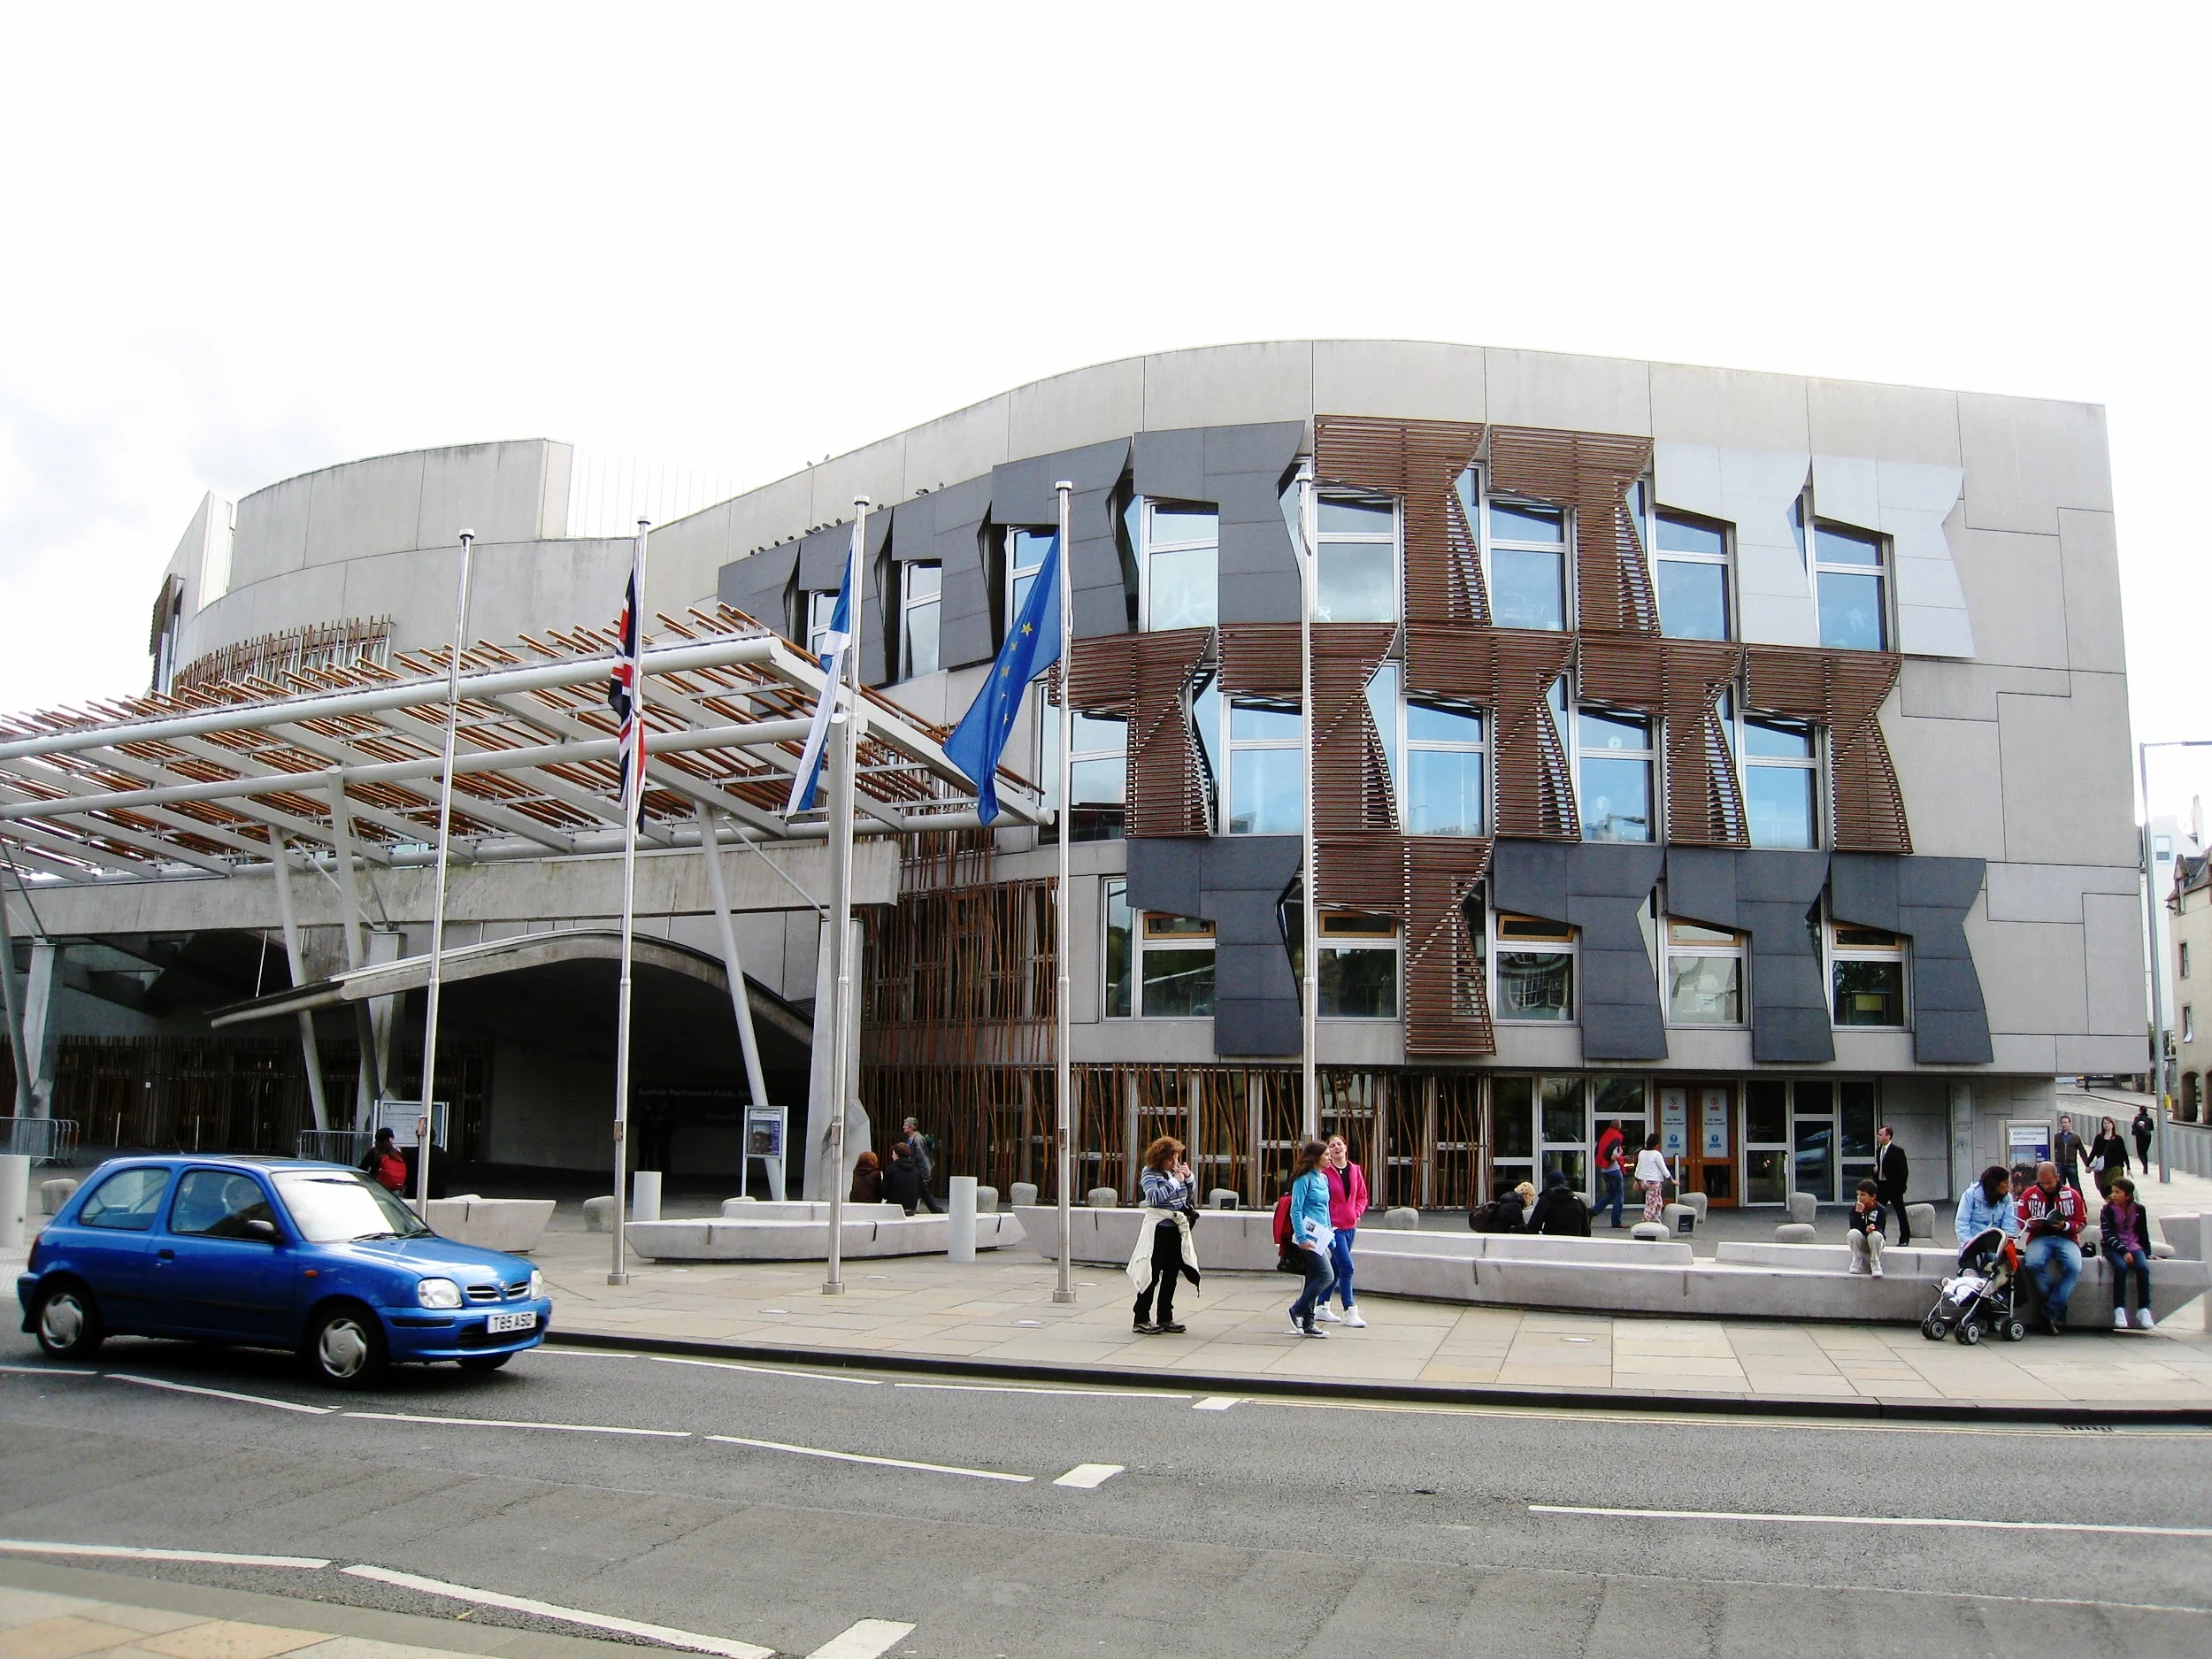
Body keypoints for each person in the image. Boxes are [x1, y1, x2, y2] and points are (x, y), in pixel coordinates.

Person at [1128, 1135, 1200, 1334]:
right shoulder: (1150, 1173)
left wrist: (1188, 1178)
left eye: (1177, 1158)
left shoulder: (1174, 1172)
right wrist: (1176, 1181)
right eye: (1170, 1159)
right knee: (1151, 1274)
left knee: (1171, 1274)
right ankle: (1141, 1317)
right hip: (1158, 1228)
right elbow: (1155, 1197)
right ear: (1160, 1158)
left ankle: (1165, 1316)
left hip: (1176, 1228)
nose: (1174, 1163)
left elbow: (1188, 1195)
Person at [2016, 1160, 2085, 1334]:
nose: (2046, 1186)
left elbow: (2081, 1221)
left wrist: (2065, 1226)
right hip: (2039, 1237)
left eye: (2049, 1182)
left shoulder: (2072, 1195)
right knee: (2033, 1263)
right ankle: (2057, 1306)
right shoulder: (2029, 1194)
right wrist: (2031, 1223)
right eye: (2042, 1183)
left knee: (2073, 1266)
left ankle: (2049, 1311)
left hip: (2066, 1238)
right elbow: (2022, 1220)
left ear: (2057, 1177)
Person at [1283, 1139, 1336, 1338]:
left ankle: (1309, 1322)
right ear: (1315, 1157)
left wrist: (1330, 1233)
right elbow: (1295, 1210)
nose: (1330, 1159)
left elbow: (1325, 1208)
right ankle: (1297, 1308)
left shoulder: (1323, 1178)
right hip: (1308, 1237)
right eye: (1326, 1155)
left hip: (1322, 1235)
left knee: (1313, 1278)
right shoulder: (1303, 1179)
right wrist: (1302, 1237)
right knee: (1326, 1276)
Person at [1316, 1134, 1369, 1328]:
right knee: (1347, 1266)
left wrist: (1356, 1212)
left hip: (1350, 1226)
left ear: (1346, 1147)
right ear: (1328, 1151)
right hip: (1334, 1227)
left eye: (1339, 1144)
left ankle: (1321, 1305)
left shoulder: (1355, 1170)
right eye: (1332, 1145)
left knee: (1337, 1267)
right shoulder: (1325, 1173)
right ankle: (1349, 1310)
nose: (1336, 1147)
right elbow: (1320, 1199)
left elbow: (1362, 1196)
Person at [2100, 1175, 2154, 1330]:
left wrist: (2147, 1253)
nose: (2114, 1195)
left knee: (2143, 1268)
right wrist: (2123, 1251)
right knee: (2121, 1268)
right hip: (2113, 1247)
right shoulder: (2107, 1210)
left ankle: (2144, 1309)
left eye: (2118, 1192)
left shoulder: (2139, 1210)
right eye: (2113, 1191)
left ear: (2128, 1195)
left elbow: (2143, 1233)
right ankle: (2119, 1308)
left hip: (2134, 1245)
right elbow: (2107, 1234)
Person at [1955, 1164, 2019, 1248]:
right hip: (1973, 1240)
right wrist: (1967, 1243)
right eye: (2005, 1183)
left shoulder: (2007, 1198)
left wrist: (2006, 1242)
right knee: (1974, 1259)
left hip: (1996, 1242)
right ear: (1995, 1184)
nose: (2008, 1186)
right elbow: (1962, 1222)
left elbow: (2008, 1223)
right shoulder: (1970, 1194)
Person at [1873, 1125, 1910, 1244]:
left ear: (1888, 1136)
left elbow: (1903, 1171)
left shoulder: (1897, 1151)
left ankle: (1904, 1238)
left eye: (1880, 1135)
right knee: (1879, 1212)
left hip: (1894, 1187)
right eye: (1878, 1135)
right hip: (1882, 1186)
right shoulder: (1879, 1150)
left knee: (1900, 1213)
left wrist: (1901, 1187)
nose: (1878, 1137)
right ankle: (1880, 1236)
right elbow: (1880, 1166)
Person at [1527, 1169, 1592, 1237]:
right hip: (1574, 1243)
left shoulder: (1546, 1200)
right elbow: (1586, 1231)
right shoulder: (1579, 1202)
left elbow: (1533, 1227)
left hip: (1550, 1243)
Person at [1845, 1178, 1886, 1278]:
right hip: (1862, 1241)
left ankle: (1875, 1263)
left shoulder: (1881, 1210)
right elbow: (1854, 1227)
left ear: (1873, 1197)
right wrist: (1858, 1214)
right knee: (1853, 1233)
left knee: (1875, 1235)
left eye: (1863, 1195)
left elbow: (1881, 1229)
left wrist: (1873, 1228)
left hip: (1876, 1242)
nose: (1859, 1197)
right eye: (1858, 1194)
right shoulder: (1854, 1209)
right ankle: (1857, 1260)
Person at [902, 1117, 943, 1213]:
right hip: (917, 1171)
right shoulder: (912, 1138)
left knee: (922, 1192)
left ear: (911, 1127)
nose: (903, 1127)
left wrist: (925, 1174)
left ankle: (933, 1210)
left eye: (906, 1125)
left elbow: (922, 1157)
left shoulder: (917, 1140)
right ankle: (935, 1210)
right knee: (922, 1192)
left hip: (919, 1172)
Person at [2087, 1116, 2130, 1199]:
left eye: (2108, 1123)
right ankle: (2110, 1204)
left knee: (2115, 1187)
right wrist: (2088, 1164)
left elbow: (2123, 1153)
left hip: (2115, 1168)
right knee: (2103, 1189)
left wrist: (2128, 1167)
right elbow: (2094, 1152)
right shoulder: (2099, 1138)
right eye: (2104, 1123)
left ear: (2112, 1125)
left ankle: (2114, 1206)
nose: (2106, 1125)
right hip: (2102, 1169)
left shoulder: (2118, 1139)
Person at [1594, 1120, 1626, 1229]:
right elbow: (1612, 1157)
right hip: (1614, 1171)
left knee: (1609, 1195)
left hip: (1605, 1171)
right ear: (1618, 1126)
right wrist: (1620, 1153)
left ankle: (1593, 1211)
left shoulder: (1605, 1136)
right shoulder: (1616, 1138)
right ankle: (1616, 1221)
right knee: (1619, 1196)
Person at [1633, 1133, 1670, 1226]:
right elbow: (1663, 1168)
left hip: (1644, 1181)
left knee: (1658, 1202)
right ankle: (1644, 1222)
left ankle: (1656, 1220)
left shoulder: (1641, 1153)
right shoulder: (1657, 1154)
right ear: (1656, 1144)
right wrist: (1670, 1178)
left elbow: (1638, 1167)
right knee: (1651, 1204)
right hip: (1653, 1182)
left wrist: (1636, 1180)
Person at [360, 1127, 407, 1194]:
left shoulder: (374, 1152)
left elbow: (363, 1168)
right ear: (391, 1139)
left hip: (377, 1186)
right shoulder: (397, 1153)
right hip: (395, 1188)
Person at [882, 1141, 922, 1214]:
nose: (892, 1156)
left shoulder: (891, 1169)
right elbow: (920, 1190)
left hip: (894, 1207)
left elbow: (885, 1192)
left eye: (893, 1154)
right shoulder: (916, 1170)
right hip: (911, 1208)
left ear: (897, 1155)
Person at [2053, 1114, 2087, 1196]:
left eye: (2065, 1122)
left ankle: (2081, 1205)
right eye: (2062, 1122)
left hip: (2071, 1164)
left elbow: (2082, 1151)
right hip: (2060, 1164)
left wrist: (2087, 1164)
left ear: (2070, 1123)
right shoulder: (2056, 1137)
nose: (2064, 1124)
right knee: (2059, 1186)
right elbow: (2052, 1150)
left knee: (2075, 1186)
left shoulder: (2075, 1137)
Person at [2131, 1103, 2156, 1171]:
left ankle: (2145, 1165)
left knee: (2140, 1152)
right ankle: (2145, 1165)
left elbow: (2134, 1126)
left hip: (2140, 1136)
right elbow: (2151, 1128)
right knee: (2144, 1152)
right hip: (2148, 1136)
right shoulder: (2149, 1118)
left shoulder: (2137, 1118)